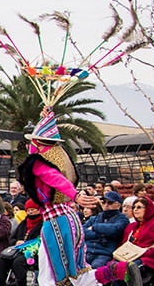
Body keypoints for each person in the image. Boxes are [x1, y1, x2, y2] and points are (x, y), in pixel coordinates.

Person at [15, 108, 101, 286]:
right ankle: (118, 271)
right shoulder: (60, 157)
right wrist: (44, 118)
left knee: (51, 274)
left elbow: (57, 180)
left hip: (56, 221)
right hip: (71, 218)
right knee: (76, 271)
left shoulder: (39, 163)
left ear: (39, 144)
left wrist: (75, 195)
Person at [92, 197, 154, 285]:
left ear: (148, 209)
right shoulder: (131, 226)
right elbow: (122, 244)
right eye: (134, 207)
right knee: (110, 269)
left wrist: (147, 252)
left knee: (125, 270)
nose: (135, 209)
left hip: (149, 259)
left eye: (139, 207)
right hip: (129, 257)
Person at [0, 200, 42, 286]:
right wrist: (16, 242)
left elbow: (39, 241)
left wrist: (25, 243)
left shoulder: (42, 224)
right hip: (17, 251)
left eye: (33, 210)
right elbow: (12, 238)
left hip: (32, 253)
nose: (30, 212)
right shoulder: (23, 223)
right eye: (28, 210)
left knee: (18, 262)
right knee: (0, 260)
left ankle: (21, 283)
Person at [82, 192, 129, 268]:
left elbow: (115, 230)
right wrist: (98, 234)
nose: (106, 205)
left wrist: (94, 227)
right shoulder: (95, 217)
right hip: (87, 251)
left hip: (104, 254)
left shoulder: (122, 218)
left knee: (95, 269)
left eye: (110, 202)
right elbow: (81, 231)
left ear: (118, 205)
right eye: (104, 202)